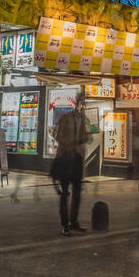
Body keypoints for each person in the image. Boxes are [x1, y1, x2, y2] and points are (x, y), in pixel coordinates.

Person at [51, 96, 91, 236]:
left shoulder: (83, 119)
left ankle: (73, 222)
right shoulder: (65, 118)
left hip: (77, 159)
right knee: (64, 193)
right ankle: (64, 225)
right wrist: (70, 142)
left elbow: (86, 138)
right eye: (83, 103)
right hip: (65, 159)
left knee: (77, 192)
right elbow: (57, 135)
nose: (84, 106)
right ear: (78, 103)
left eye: (85, 104)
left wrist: (84, 138)